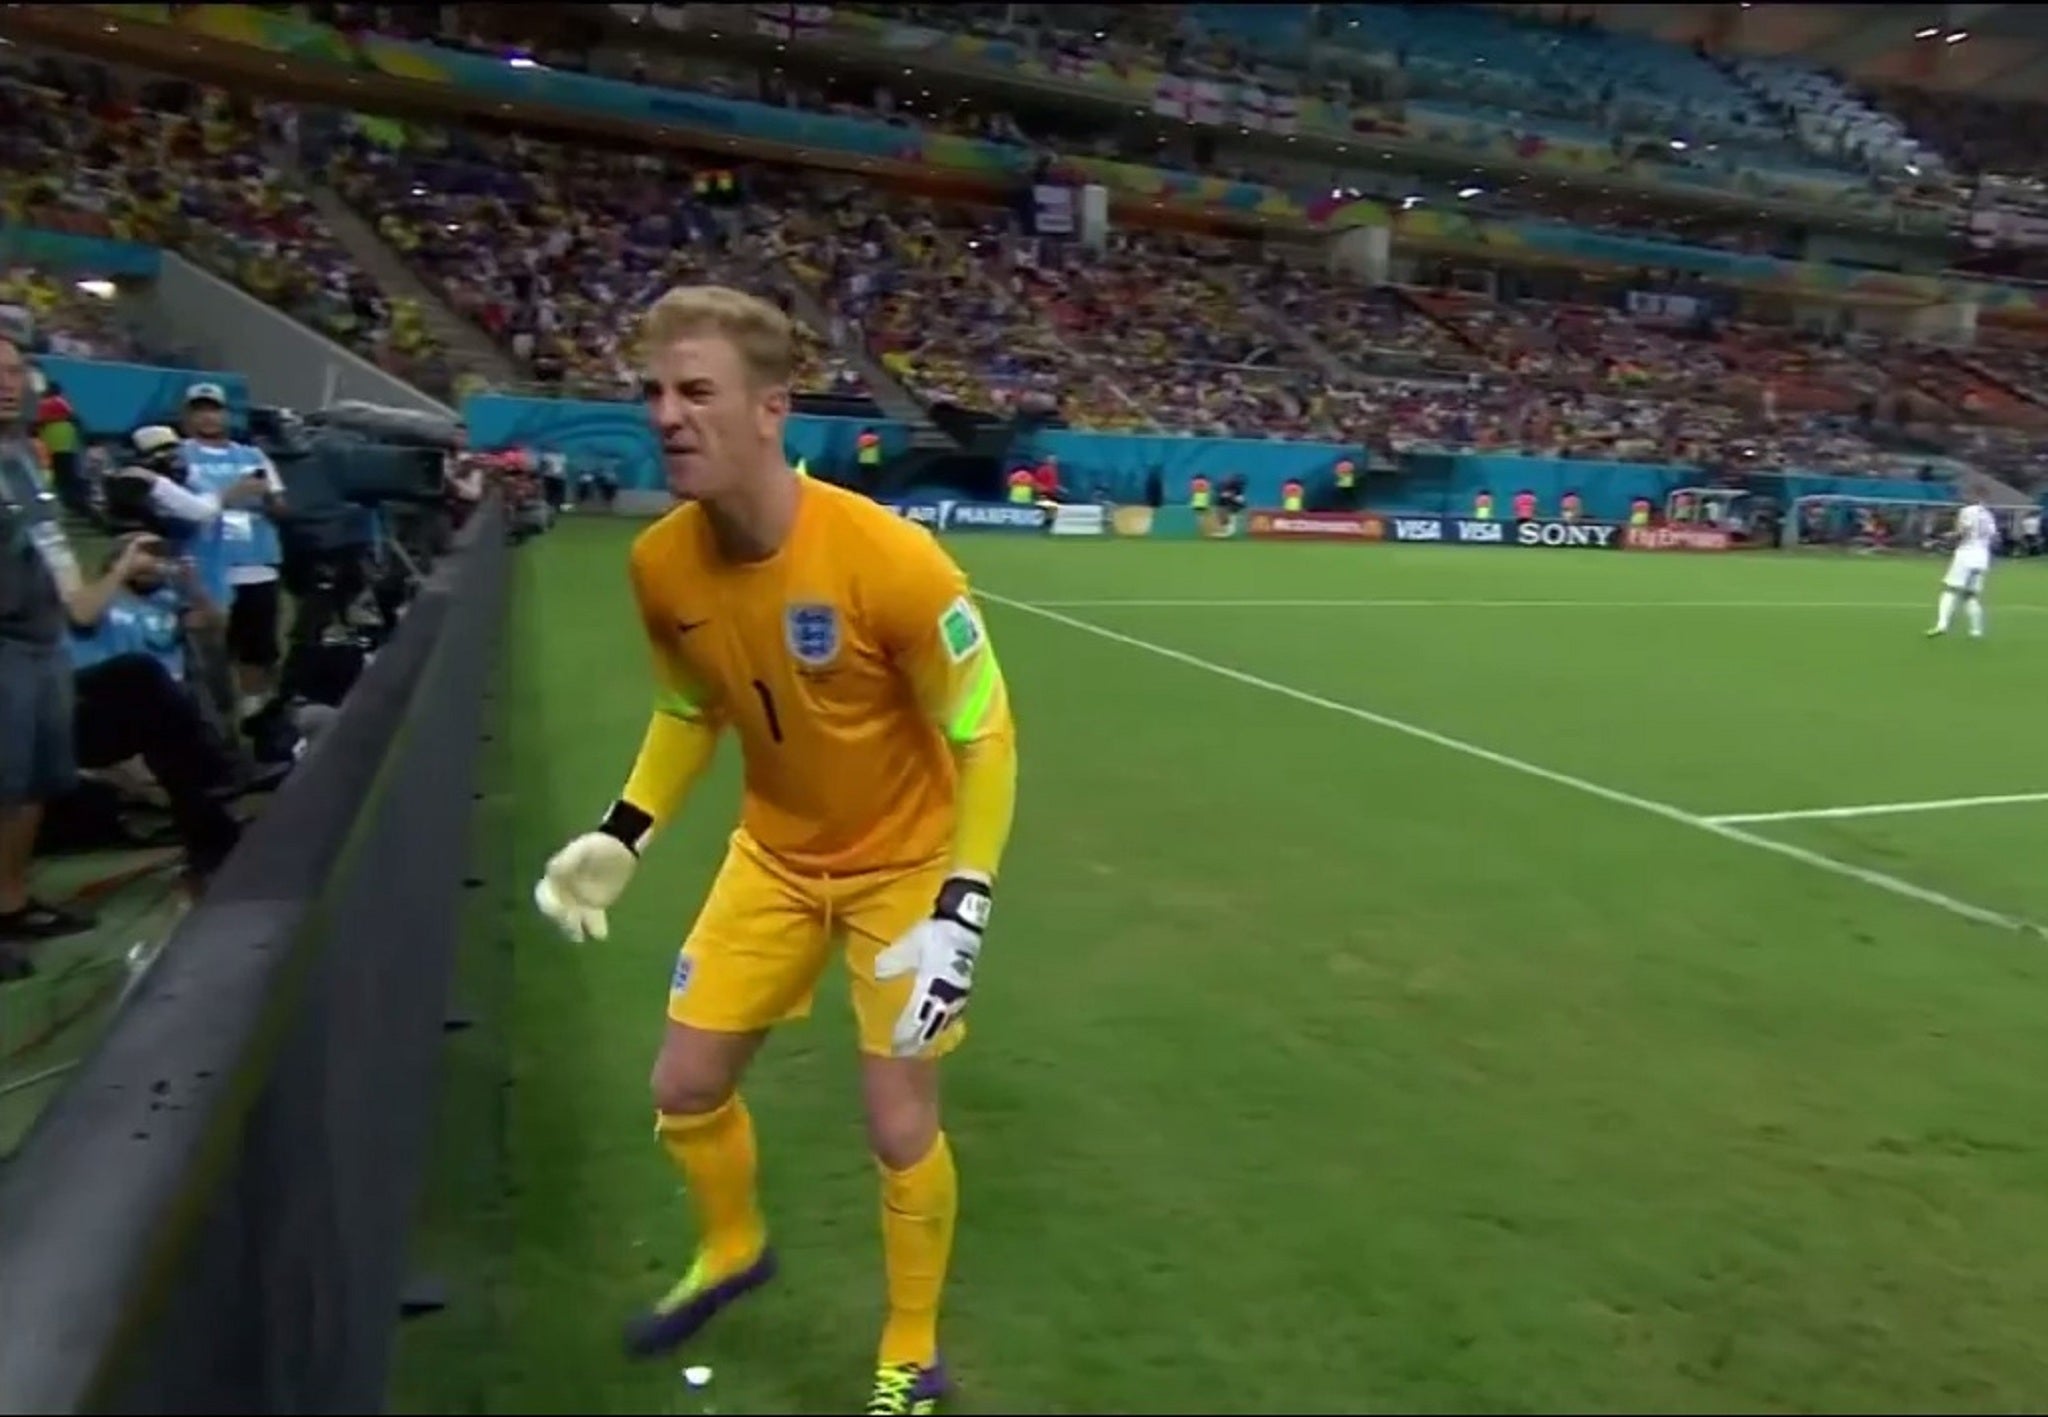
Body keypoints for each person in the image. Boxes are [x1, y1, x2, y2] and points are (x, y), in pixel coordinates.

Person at [532, 286, 1017, 1415]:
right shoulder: (659, 563)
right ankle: (734, 1245)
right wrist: (623, 830)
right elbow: (689, 706)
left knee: (898, 1122)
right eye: (650, 392)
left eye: (695, 391)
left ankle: (909, 1348)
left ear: (770, 409)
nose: (665, 415)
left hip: (905, 866)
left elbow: (984, 733)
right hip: (776, 858)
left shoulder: (891, 561)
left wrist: (964, 901)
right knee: (683, 1084)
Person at [0, 332, 94, 967]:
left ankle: (10, 901)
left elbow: (50, 542)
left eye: (14, 371)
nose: (8, 382)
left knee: (33, 779)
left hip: (43, 638)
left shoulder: (21, 456)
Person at [1929, 498, 1998, 639]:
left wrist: (1945, 537)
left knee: (1949, 590)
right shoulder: (1988, 515)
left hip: (1966, 555)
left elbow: (1961, 532)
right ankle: (1976, 631)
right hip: (1982, 557)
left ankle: (1942, 625)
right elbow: (1993, 536)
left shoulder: (1966, 511)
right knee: (1970, 595)